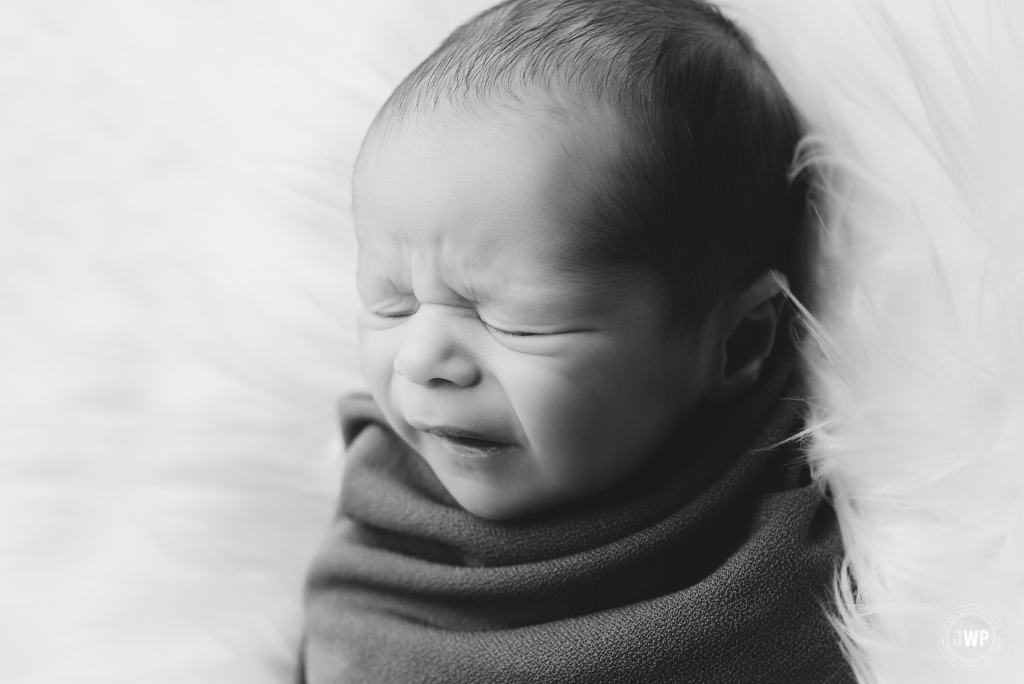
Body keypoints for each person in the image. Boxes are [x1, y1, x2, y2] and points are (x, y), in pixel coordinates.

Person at [298, 0, 856, 681]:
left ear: (738, 344)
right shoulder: (385, 521)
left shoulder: (774, 567)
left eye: (518, 322)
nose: (421, 362)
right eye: (390, 301)